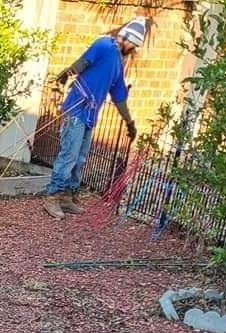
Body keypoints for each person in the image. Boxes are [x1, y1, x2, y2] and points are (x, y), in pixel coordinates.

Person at [42, 17, 147, 220]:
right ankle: (53, 197)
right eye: (133, 43)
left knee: (80, 157)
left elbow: (120, 97)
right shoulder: (105, 45)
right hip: (76, 109)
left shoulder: (117, 66)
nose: (133, 49)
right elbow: (85, 61)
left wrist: (130, 122)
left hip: (90, 115)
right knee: (69, 155)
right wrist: (67, 73)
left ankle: (67, 196)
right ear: (125, 37)